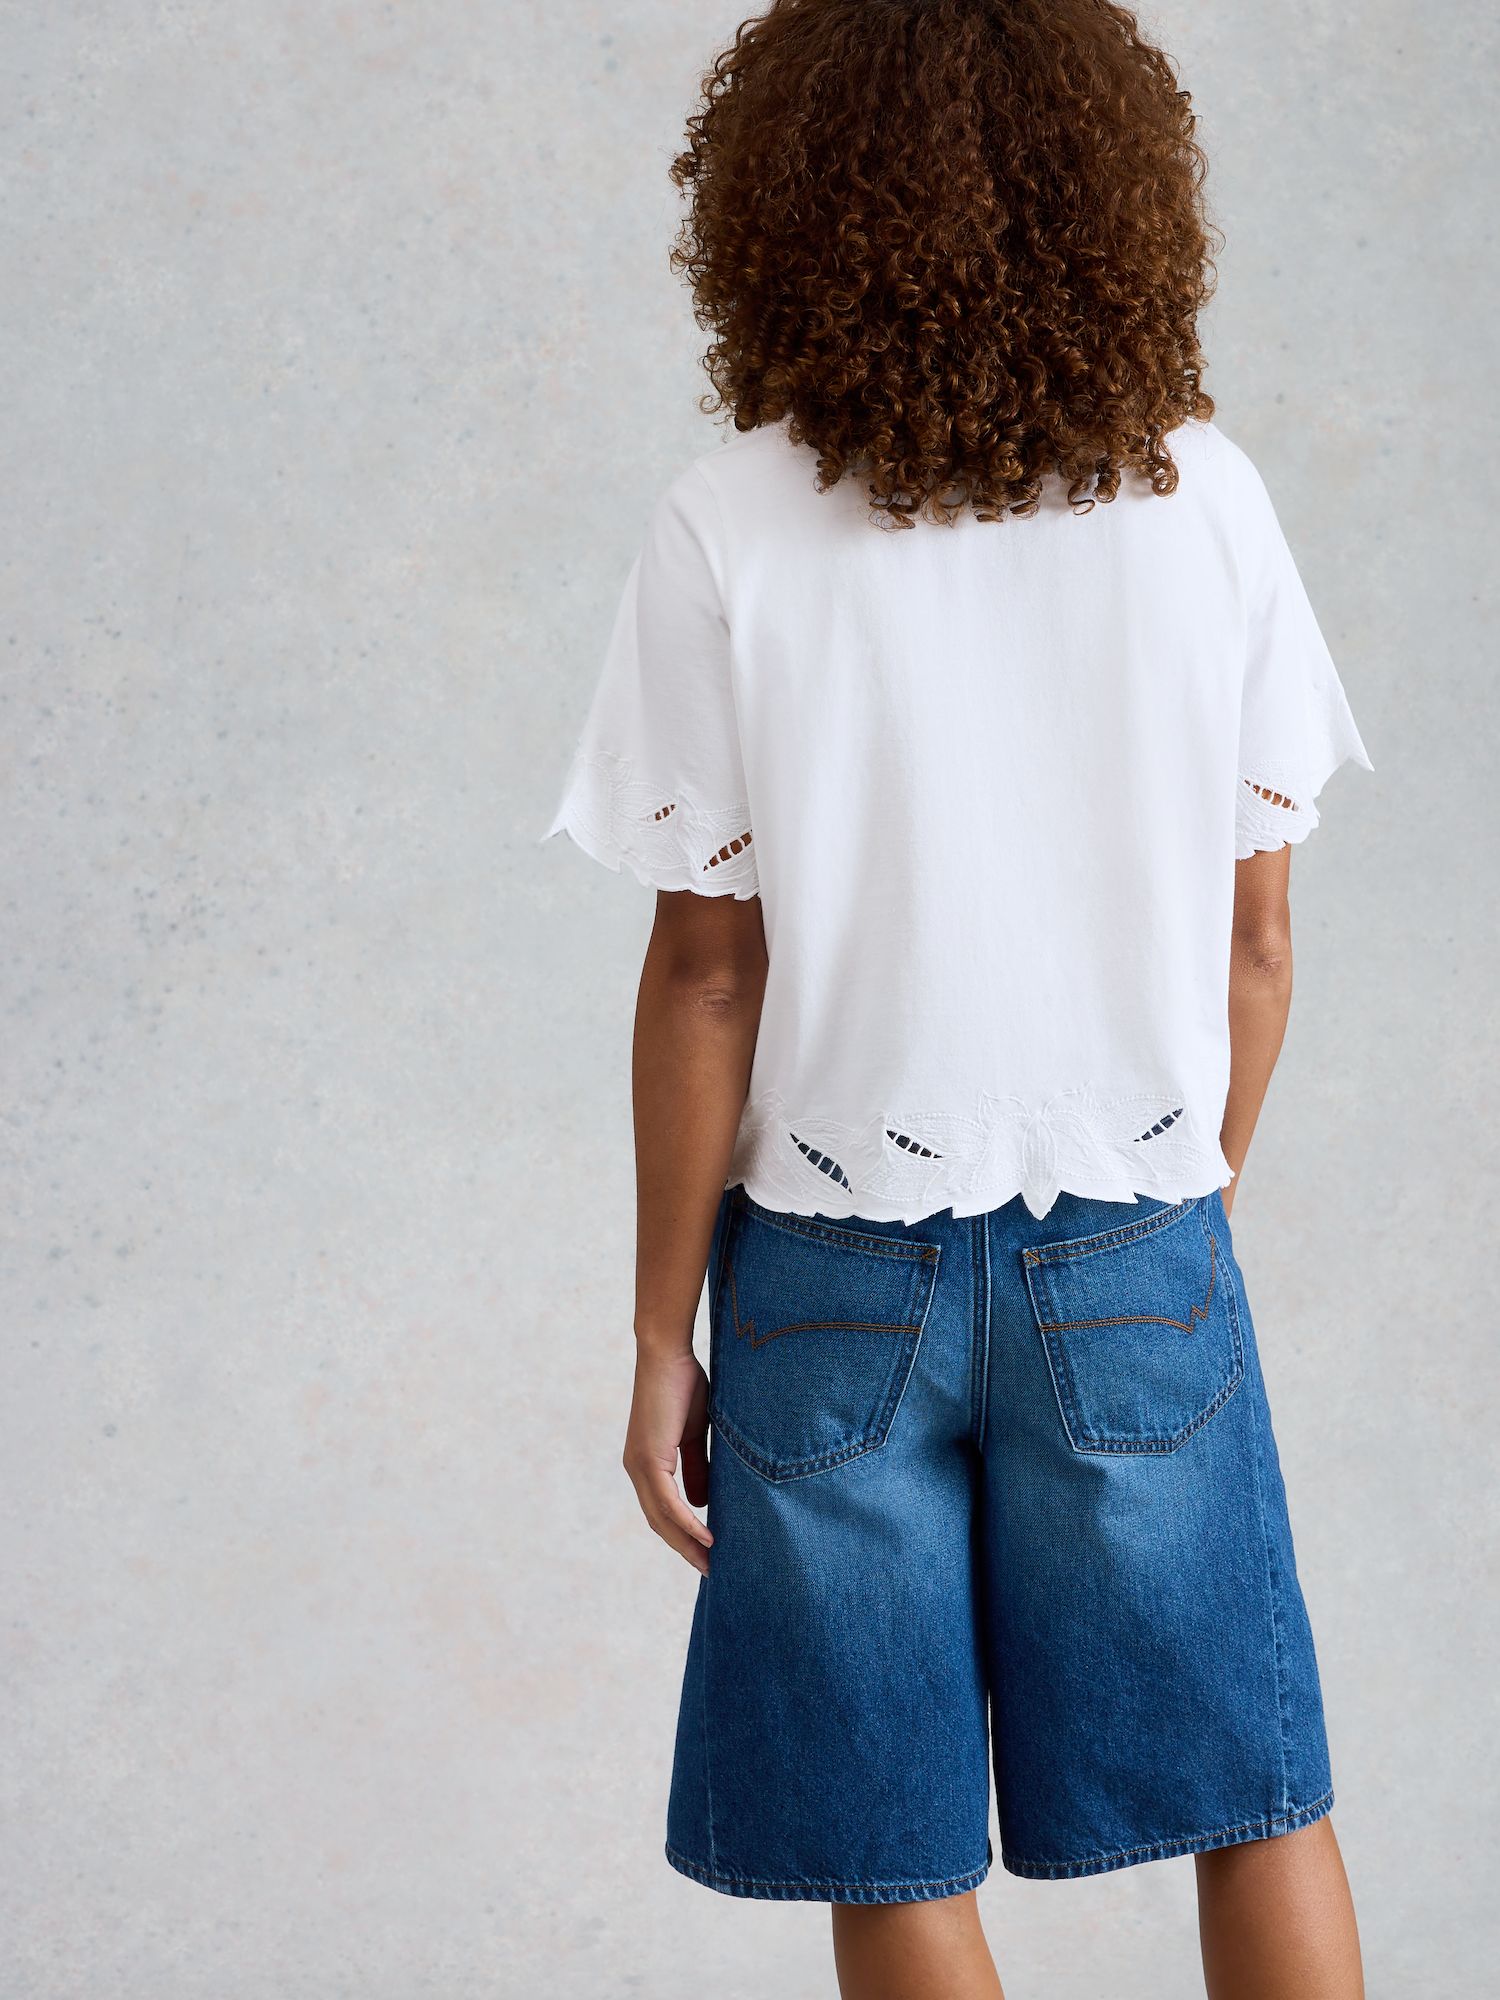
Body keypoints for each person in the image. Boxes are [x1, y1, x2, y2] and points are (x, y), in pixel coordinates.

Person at [538, 2, 1373, 1994]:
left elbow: (707, 970)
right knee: (1254, 1790)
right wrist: (1179, 1206)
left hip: (830, 1273)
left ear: (787, 201)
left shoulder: (729, 522)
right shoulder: (1209, 500)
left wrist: (659, 1334)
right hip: (1134, 1234)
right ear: (1113, 189)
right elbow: (1259, 942)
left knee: (887, 1832)